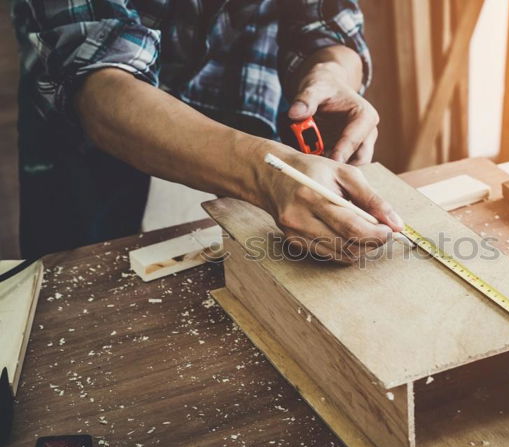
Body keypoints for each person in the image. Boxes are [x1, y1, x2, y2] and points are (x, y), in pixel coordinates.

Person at [11, 0, 403, 262]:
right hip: (97, 139)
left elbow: (328, 23)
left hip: (256, 127)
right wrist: (265, 173)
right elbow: (96, 82)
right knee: (79, 293)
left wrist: (333, 73)